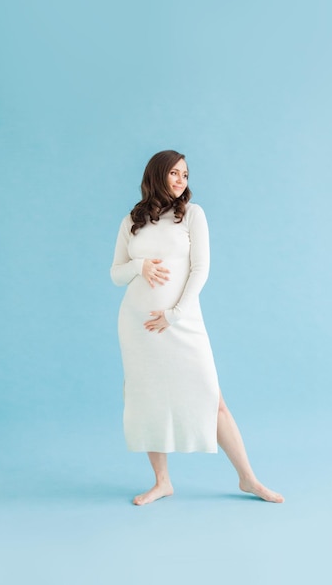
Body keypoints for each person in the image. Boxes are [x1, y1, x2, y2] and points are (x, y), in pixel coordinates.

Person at [110, 150, 284, 506]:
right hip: (139, 325)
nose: (180, 180)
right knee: (147, 399)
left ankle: (248, 479)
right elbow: (116, 273)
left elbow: (200, 269)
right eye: (174, 173)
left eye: (185, 175)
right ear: (157, 175)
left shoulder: (191, 215)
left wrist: (174, 314)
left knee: (213, 399)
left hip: (182, 322)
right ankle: (162, 482)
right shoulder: (132, 220)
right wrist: (139, 266)